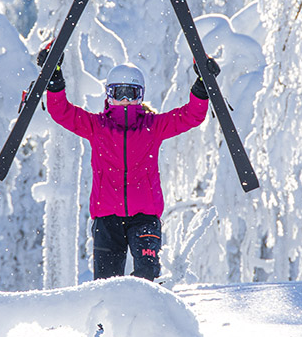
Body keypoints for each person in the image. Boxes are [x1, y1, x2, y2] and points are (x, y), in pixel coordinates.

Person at [37, 47, 220, 281]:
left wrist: (202, 87)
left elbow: (191, 116)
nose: (124, 100)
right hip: (107, 219)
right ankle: (107, 318)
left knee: (146, 275)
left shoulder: (153, 127)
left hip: (144, 218)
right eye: (118, 93)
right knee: (105, 283)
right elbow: (61, 112)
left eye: (130, 93)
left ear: (140, 96)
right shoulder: (96, 126)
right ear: (108, 95)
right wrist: (54, 78)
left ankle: (146, 315)